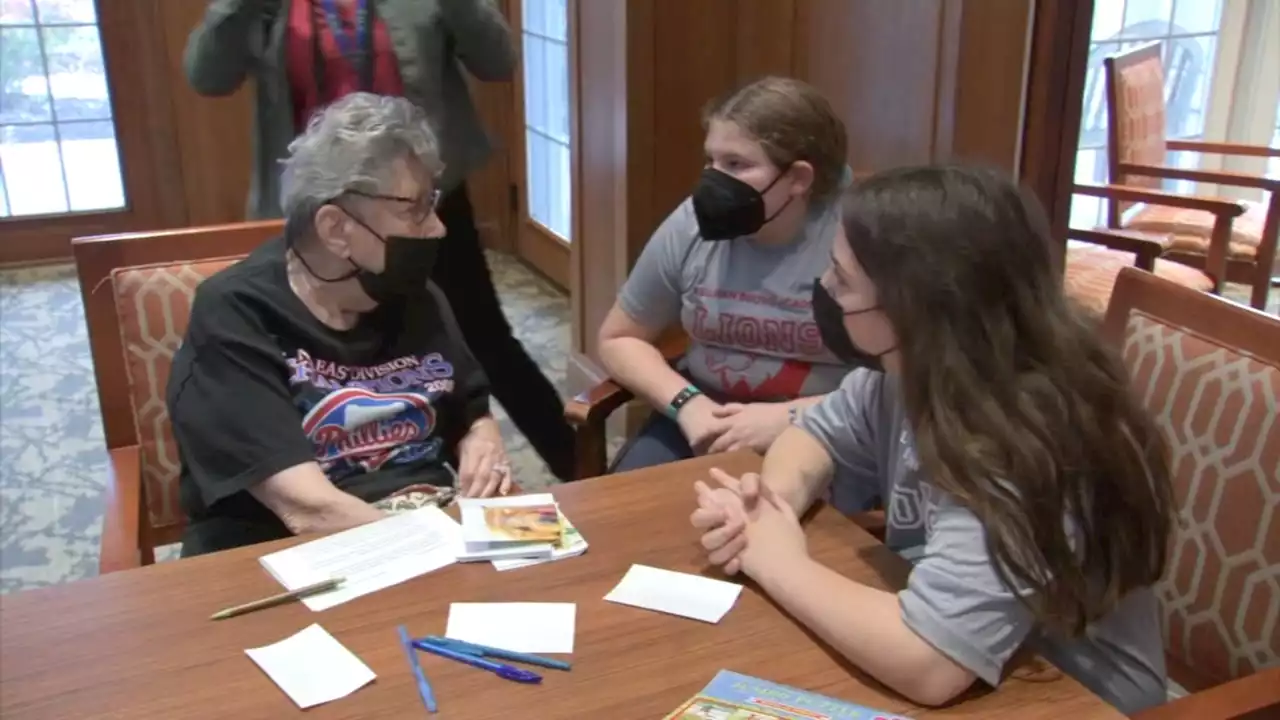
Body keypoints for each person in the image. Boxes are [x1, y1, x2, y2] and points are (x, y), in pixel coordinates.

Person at [691, 165, 1175, 715]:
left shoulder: (1018, 443)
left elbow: (930, 664)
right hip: (984, 662)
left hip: (1076, 695)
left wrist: (777, 561)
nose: (823, 290)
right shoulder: (907, 373)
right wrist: (768, 507)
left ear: (915, 307)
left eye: (842, 279)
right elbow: (814, 439)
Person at [184, 0, 576, 481]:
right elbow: (207, 76)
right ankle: (334, 477)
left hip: (417, 202)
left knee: (485, 342)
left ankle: (582, 472)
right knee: (314, 353)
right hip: (320, 209)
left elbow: (498, 61)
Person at [168, 93, 514, 556]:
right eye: (414, 209)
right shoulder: (238, 313)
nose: (437, 228)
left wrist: (482, 442)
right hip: (285, 554)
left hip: (424, 527)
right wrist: (442, 552)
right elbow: (308, 510)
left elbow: (470, 408)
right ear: (335, 228)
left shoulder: (413, 294)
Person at [598, 76, 861, 481]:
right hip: (705, 412)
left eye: (736, 164)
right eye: (711, 161)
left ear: (799, 179)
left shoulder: (859, 237)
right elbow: (620, 337)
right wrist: (688, 404)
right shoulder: (690, 224)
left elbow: (905, 386)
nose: (713, 181)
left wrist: (788, 417)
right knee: (625, 520)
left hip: (827, 421)